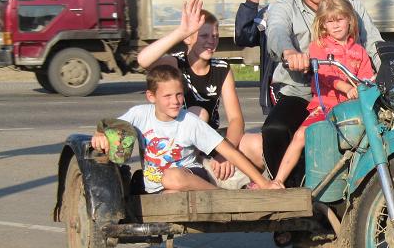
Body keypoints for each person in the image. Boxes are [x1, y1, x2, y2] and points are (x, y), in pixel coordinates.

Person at [262, 0, 383, 185]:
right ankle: (292, 196)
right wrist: (289, 52)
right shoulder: (286, 5)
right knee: (275, 130)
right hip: (303, 92)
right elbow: (276, 31)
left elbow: (374, 45)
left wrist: (393, 66)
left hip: (350, 94)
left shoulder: (351, 7)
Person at [90, 65, 279, 193]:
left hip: (190, 175)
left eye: (179, 95)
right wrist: (100, 134)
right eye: (167, 96)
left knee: (172, 178)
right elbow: (109, 126)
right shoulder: (139, 114)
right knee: (170, 193)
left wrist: (264, 183)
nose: (175, 101)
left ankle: (220, 196)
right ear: (151, 96)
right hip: (158, 187)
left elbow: (229, 152)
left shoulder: (189, 121)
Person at [136, 0, 262, 184]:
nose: (211, 41)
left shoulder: (222, 68)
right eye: (204, 36)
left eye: (215, 36)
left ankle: (255, 186)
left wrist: (227, 152)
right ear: (188, 39)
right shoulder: (176, 63)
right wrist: (180, 31)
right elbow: (143, 60)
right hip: (180, 145)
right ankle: (195, 172)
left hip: (211, 140)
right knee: (197, 114)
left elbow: (236, 120)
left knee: (258, 144)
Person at [272, 0, 375, 186]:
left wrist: (369, 83)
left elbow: (366, 76)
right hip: (326, 106)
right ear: (323, 24)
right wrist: (346, 87)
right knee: (301, 136)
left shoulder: (359, 50)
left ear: (350, 20)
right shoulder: (318, 46)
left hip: (352, 107)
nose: (336, 25)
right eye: (330, 21)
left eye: (340, 19)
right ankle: (278, 180)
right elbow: (325, 74)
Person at [234, 0, 300, 116]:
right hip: (276, 89)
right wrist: (251, 2)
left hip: (306, 91)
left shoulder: (314, 14)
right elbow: (244, 37)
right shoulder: (267, 15)